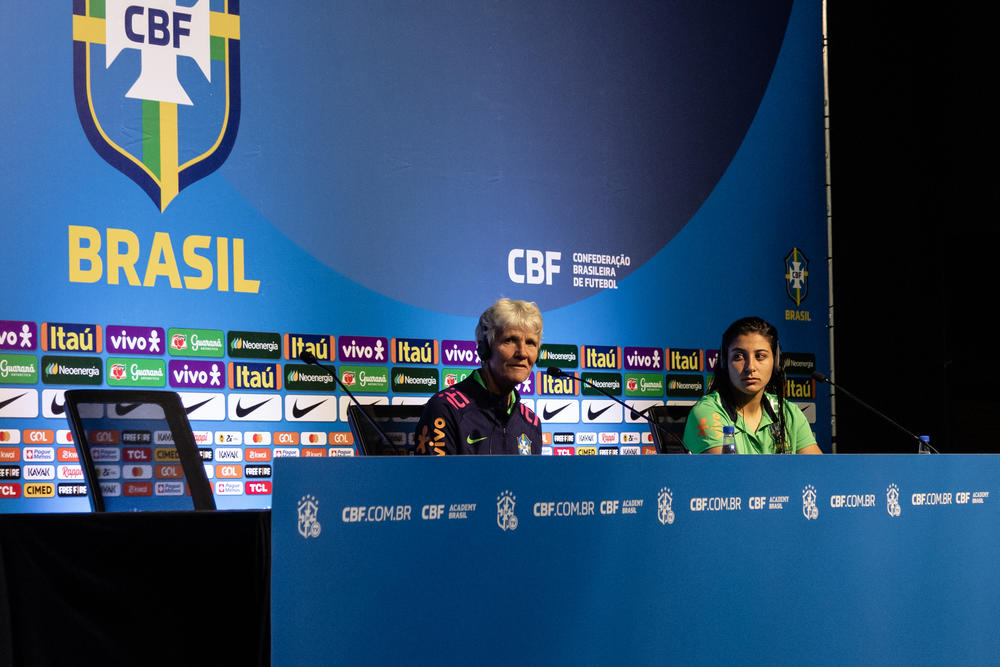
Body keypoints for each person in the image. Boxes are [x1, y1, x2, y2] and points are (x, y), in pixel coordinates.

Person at [414, 298, 542, 455]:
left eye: (530, 343)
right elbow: (436, 479)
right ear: (484, 349)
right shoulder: (446, 409)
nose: (522, 353)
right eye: (510, 340)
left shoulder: (531, 423)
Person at [683, 316, 822, 454]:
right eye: (738, 356)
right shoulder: (707, 412)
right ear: (725, 362)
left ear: (776, 362)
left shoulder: (789, 413)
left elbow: (818, 471)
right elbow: (726, 473)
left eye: (760, 356)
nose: (750, 367)